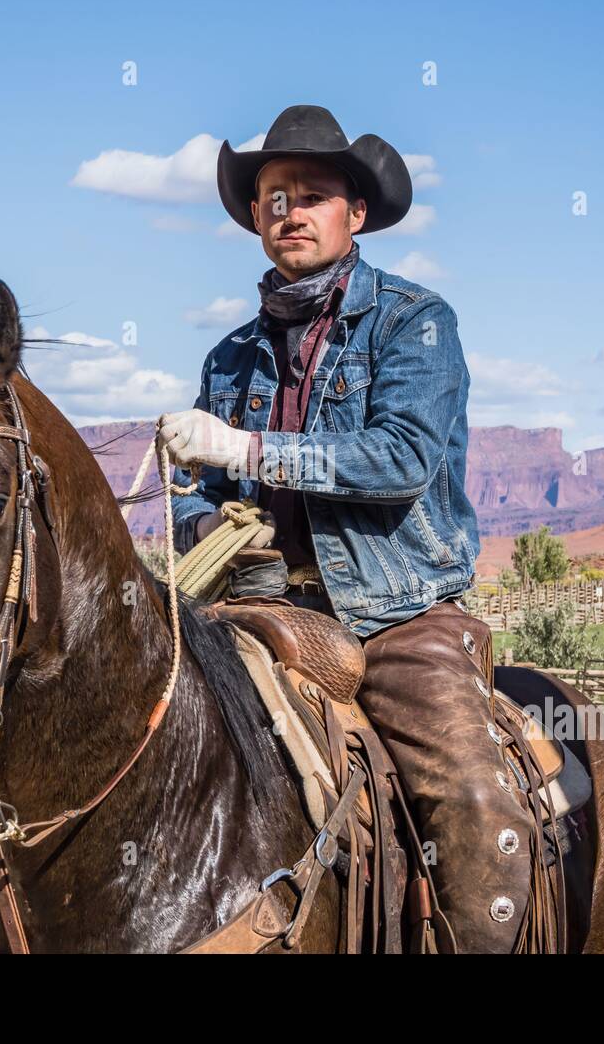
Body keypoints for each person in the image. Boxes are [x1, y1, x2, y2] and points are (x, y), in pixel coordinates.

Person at [158, 105, 544, 951]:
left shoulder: (415, 322)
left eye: (313, 195)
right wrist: (205, 520)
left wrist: (252, 447)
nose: (289, 211)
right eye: (273, 197)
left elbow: (403, 456)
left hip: (396, 614)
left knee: (474, 807)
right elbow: (193, 491)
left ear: (356, 214)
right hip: (256, 611)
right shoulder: (230, 357)